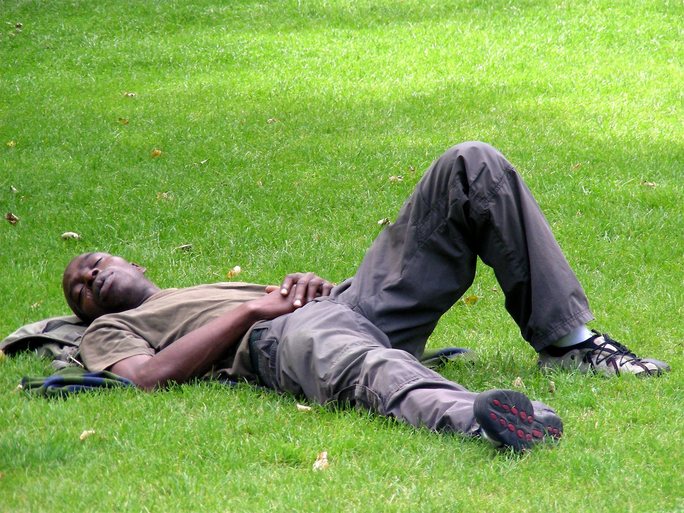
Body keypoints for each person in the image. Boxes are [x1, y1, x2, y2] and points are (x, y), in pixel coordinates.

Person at [62, 142, 669, 452]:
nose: (89, 282)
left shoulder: (202, 288)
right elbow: (143, 378)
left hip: (349, 303)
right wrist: (255, 310)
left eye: (90, 265)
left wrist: (303, 286)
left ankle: (570, 343)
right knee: (353, 357)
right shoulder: (111, 331)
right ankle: (479, 419)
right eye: (80, 293)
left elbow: (303, 303)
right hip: (281, 339)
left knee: (469, 165)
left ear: (132, 261)